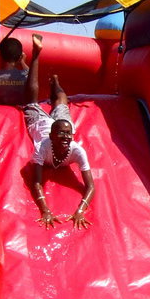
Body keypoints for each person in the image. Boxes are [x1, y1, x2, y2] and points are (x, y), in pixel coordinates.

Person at [24, 35, 95, 229]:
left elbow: (90, 186)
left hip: (59, 123)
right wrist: (45, 209)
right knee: (31, 101)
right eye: (62, 135)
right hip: (41, 123)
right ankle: (35, 56)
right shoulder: (42, 147)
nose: (65, 138)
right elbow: (37, 182)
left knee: (62, 103)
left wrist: (81, 209)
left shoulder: (76, 150)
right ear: (51, 137)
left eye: (68, 134)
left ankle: (55, 82)